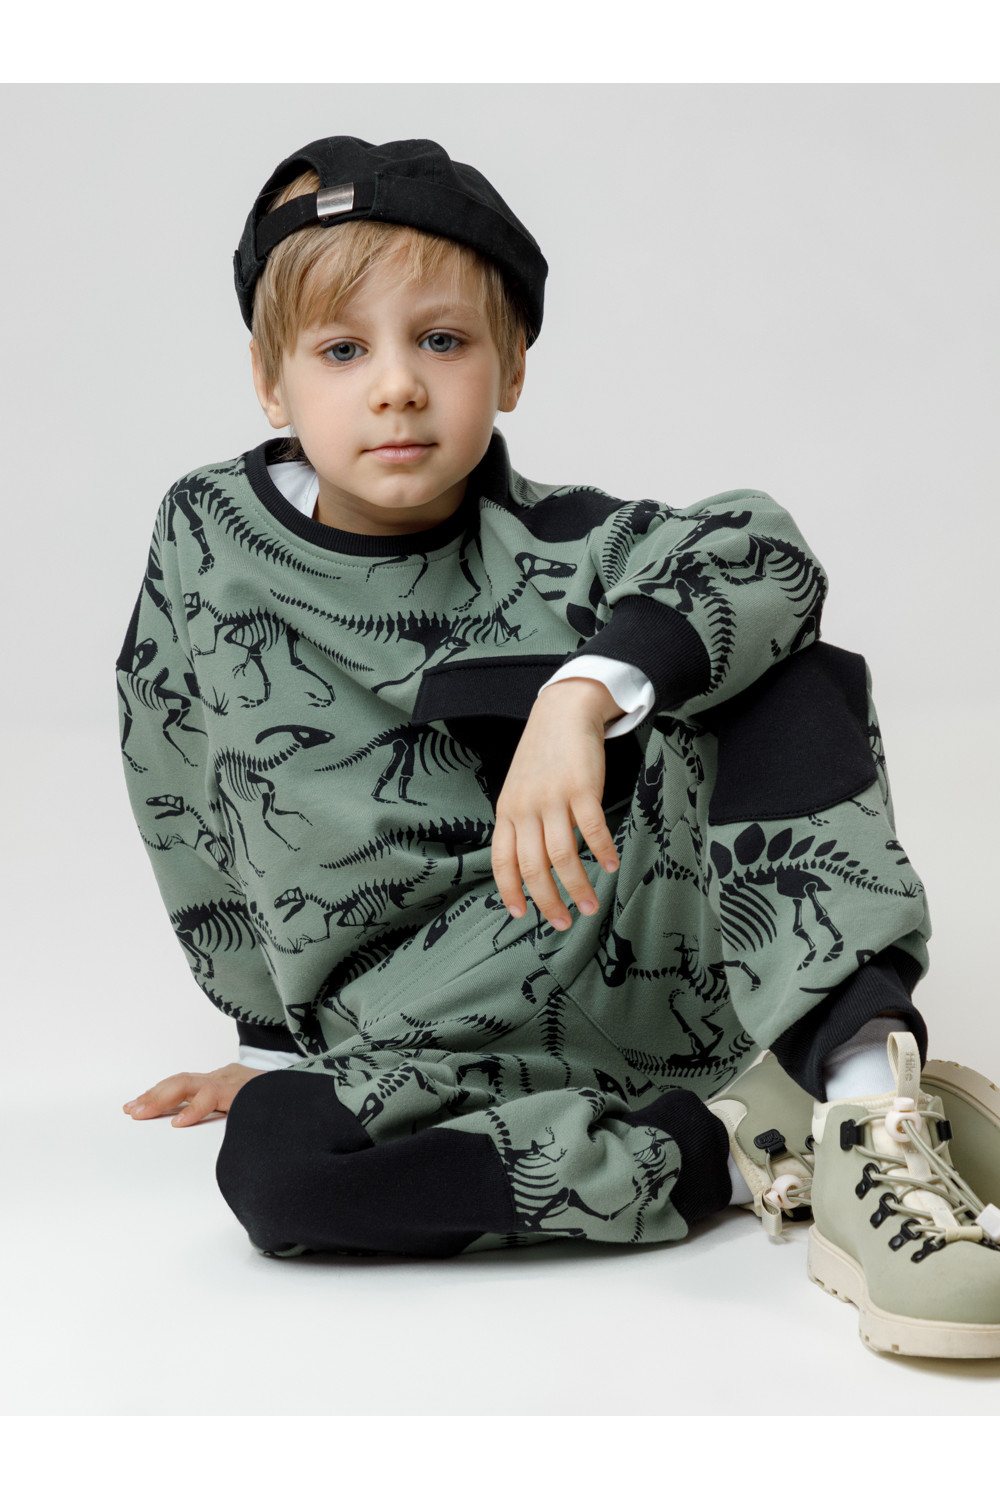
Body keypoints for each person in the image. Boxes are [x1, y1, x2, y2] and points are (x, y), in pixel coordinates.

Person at [118, 135, 1000, 1357]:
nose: (396, 387)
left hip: (636, 949)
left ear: (512, 368)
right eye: (342, 351)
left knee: (779, 668)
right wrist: (268, 1040)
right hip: (426, 1031)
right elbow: (178, 771)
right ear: (271, 384)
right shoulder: (208, 540)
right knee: (280, 1167)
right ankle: (738, 1145)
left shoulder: (562, 543)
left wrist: (584, 693)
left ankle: (862, 1108)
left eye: (442, 342)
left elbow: (764, 552)